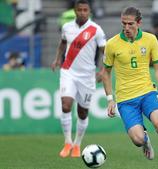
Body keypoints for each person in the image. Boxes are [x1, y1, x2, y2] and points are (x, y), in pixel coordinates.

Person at [101, 7, 158, 169]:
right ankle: (146, 141)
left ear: (139, 23)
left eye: (130, 24)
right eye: (123, 24)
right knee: (137, 140)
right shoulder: (111, 44)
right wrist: (110, 99)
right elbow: (106, 73)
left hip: (148, 92)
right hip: (126, 99)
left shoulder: (150, 39)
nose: (126, 28)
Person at [50, 0, 106, 158]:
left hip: (87, 76)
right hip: (68, 72)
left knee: (82, 113)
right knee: (66, 105)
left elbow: (106, 52)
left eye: (85, 10)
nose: (82, 12)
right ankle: (67, 142)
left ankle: (77, 144)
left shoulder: (96, 30)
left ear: (89, 11)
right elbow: (62, 44)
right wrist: (57, 59)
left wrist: (103, 71)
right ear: (75, 11)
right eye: (80, 10)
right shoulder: (67, 27)